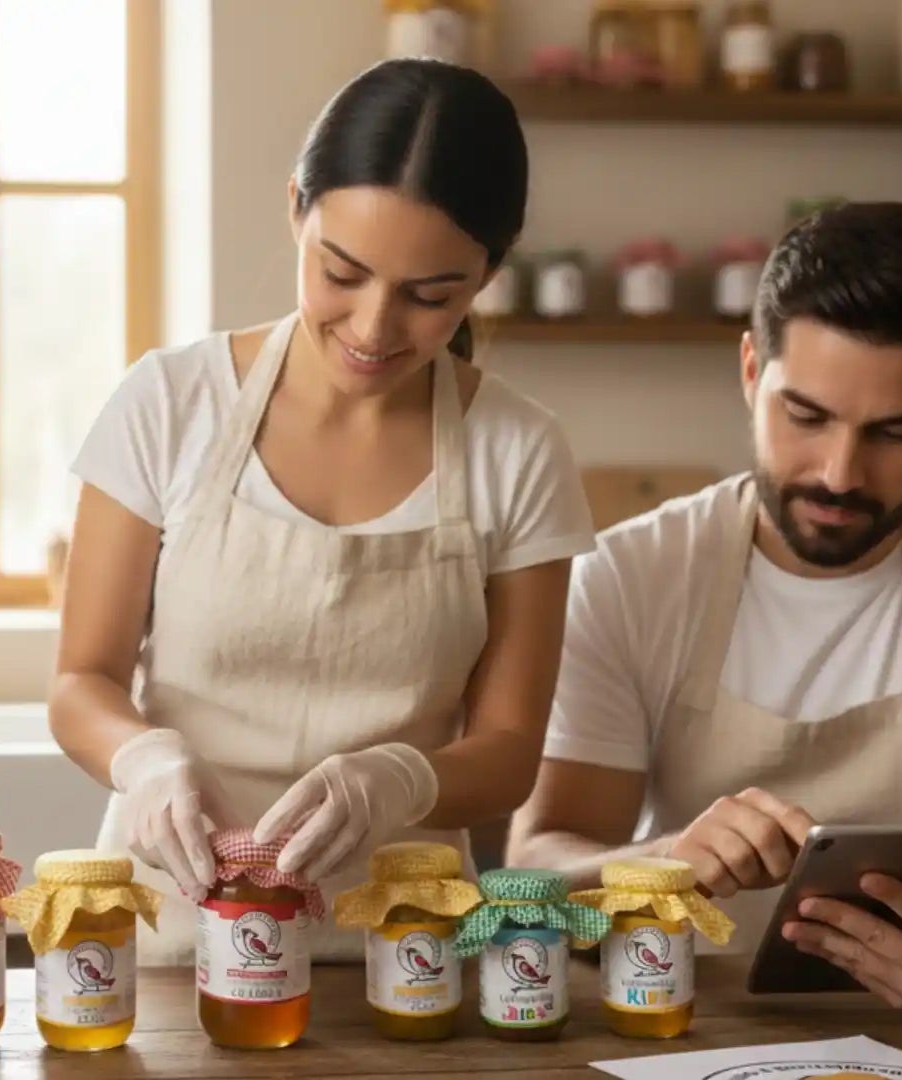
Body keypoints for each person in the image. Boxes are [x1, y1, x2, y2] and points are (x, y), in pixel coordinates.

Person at [509, 201, 902, 1015]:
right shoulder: (632, 573)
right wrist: (655, 863)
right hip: (675, 1031)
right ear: (752, 371)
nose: (839, 472)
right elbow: (534, 873)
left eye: (893, 432)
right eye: (807, 417)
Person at [50, 59, 595, 964]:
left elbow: (508, 752)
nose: (377, 328)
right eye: (342, 272)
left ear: (492, 269)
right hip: (175, 938)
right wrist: (145, 759)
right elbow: (82, 683)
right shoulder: (168, 403)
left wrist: (399, 779)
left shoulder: (519, 451)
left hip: (402, 955)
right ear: (298, 208)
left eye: (433, 297)